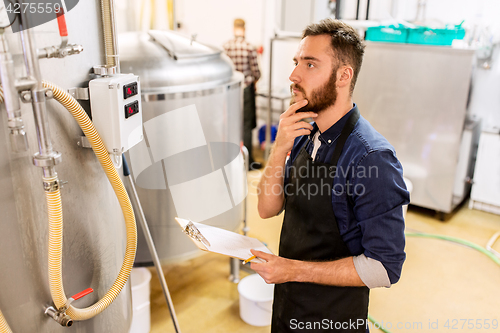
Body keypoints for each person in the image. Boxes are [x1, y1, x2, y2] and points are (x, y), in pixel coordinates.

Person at [251, 19, 409, 332]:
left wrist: (291, 270)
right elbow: (266, 209)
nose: (293, 75)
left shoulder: (371, 158)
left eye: (310, 64)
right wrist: (279, 147)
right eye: (297, 62)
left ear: (343, 75)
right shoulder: (301, 130)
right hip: (288, 307)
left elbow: (385, 267)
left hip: (333, 319)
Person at [223, 18, 262, 170]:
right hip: (246, 89)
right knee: (246, 126)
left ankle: (231, 162)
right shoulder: (249, 47)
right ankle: (248, 162)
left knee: (230, 124)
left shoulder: (225, 47)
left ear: (234, 28)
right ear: (244, 29)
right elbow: (256, 72)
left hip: (230, 91)